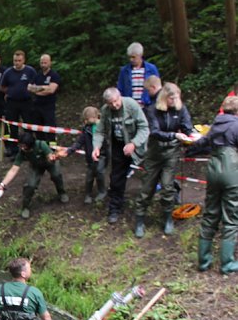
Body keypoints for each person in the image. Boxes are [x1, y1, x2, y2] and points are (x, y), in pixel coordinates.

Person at [133, 82, 194, 238]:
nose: (174, 102)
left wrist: (191, 134)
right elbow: (154, 131)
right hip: (154, 153)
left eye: (176, 98)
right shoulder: (152, 110)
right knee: (147, 188)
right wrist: (174, 135)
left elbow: (187, 126)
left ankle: (168, 219)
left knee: (168, 186)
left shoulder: (181, 108)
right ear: (164, 98)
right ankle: (140, 220)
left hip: (171, 153)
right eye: (171, 99)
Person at [191, 95, 238, 274]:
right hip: (231, 170)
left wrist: (188, 145)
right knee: (231, 216)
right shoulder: (236, 124)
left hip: (212, 170)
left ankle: (203, 262)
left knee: (211, 213)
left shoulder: (215, 125)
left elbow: (202, 143)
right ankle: (227, 264)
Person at [92, 87, 150, 224]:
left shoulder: (131, 105)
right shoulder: (106, 111)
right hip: (119, 146)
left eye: (116, 101)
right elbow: (99, 131)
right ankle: (115, 208)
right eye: (110, 103)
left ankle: (171, 194)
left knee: (153, 173)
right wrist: (96, 147)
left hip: (138, 145)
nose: (114, 105)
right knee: (116, 179)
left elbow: (144, 127)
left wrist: (134, 144)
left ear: (120, 97)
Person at [0, 132, 67, 218]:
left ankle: (62, 192)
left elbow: (50, 156)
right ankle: (25, 207)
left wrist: (53, 158)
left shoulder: (41, 144)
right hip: (36, 166)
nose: (22, 148)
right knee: (30, 185)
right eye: (20, 145)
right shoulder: (22, 152)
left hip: (50, 163)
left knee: (56, 175)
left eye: (23, 146)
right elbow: (13, 169)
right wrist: (2, 185)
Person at [58, 107, 106, 204]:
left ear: (94, 117)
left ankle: (102, 191)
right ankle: (88, 194)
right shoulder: (87, 129)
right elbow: (79, 142)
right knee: (89, 176)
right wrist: (69, 151)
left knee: (100, 173)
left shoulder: (104, 127)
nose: (85, 121)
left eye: (87, 119)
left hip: (102, 155)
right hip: (89, 157)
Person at [0, 50, 37, 157]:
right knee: (13, 127)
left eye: (19, 60)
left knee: (28, 127)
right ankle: (14, 151)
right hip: (12, 103)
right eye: (15, 60)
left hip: (27, 102)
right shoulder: (8, 72)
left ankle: (29, 149)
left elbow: (36, 85)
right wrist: (10, 91)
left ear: (24, 60)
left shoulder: (30, 71)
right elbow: (2, 87)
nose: (17, 63)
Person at [28, 54, 60, 143]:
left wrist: (37, 89)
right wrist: (44, 88)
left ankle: (52, 147)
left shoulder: (54, 75)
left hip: (49, 106)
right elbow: (29, 87)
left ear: (50, 63)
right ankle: (41, 147)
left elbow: (51, 90)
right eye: (41, 62)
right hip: (37, 105)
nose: (43, 64)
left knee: (50, 127)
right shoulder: (37, 75)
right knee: (38, 128)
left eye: (45, 62)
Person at [117, 42, 160, 107]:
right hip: (130, 106)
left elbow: (157, 88)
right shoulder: (124, 71)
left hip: (148, 105)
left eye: (133, 57)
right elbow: (120, 89)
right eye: (129, 57)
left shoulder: (151, 69)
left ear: (140, 55)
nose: (131, 60)